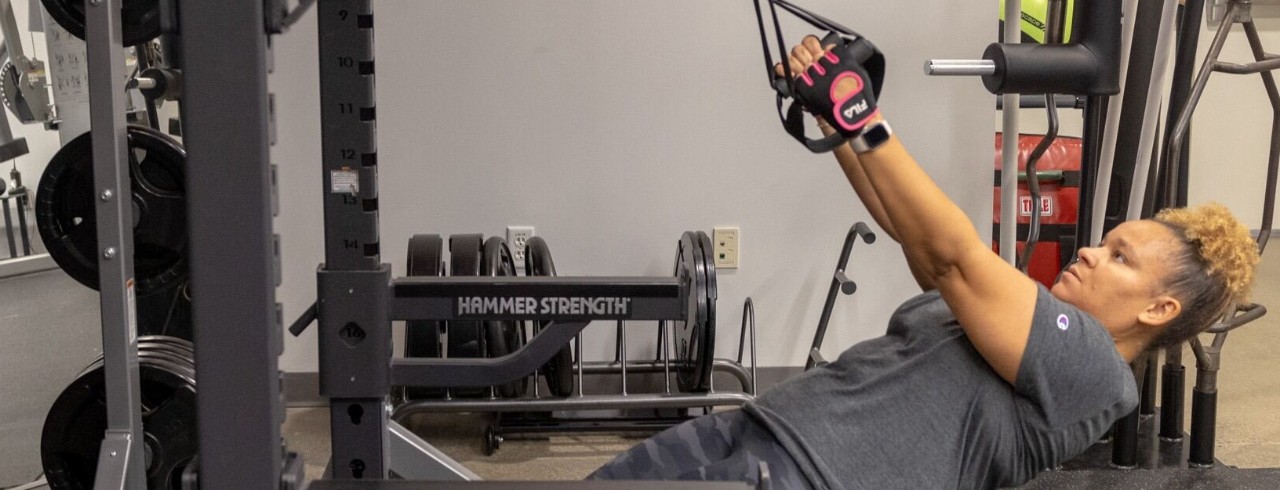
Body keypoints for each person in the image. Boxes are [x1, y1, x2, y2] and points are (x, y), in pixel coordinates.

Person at [588, 35, 1261, 489]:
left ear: (1158, 307)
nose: (1090, 249)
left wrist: (862, 114)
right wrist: (833, 118)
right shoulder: (1014, 318)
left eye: (1119, 257)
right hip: (755, 429)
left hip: (809, 477)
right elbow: (911, 231)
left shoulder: (1096, 372)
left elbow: (951, 254)